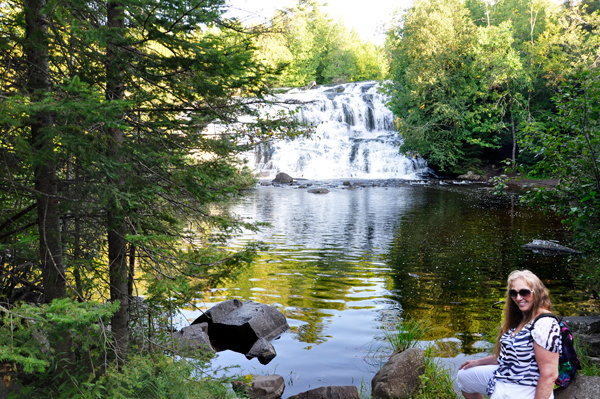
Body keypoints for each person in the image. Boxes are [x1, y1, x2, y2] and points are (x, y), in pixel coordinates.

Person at [456, 270, 562, 399]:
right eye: (513, 293)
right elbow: (510, 356)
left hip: (525, 386)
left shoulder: (544, 323)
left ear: (537, 292)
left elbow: (549, 375)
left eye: (524, 292)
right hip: (506, 375)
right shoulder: (521, 319)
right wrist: (478, 362)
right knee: (464, 375)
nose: (518, 298)